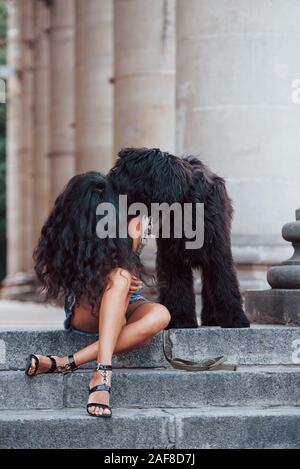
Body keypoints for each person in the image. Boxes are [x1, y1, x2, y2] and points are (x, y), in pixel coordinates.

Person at [25, 172, 171, 418]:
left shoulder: (132, 222)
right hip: (88, 306)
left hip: (126, 303)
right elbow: (75, 282)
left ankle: (65, 362)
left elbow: (130, 276)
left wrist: (128, 265)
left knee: (161, 314)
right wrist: (116, 277)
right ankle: (103, 376)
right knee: (120, 278)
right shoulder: (71, 233)